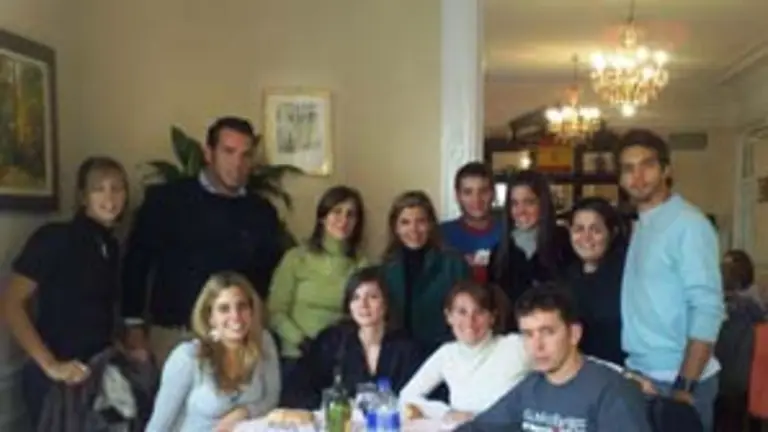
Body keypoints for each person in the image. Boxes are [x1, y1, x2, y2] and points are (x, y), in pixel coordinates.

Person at [122, 116, 283, 363]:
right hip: (175, 334)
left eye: (245, 155)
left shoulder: (261, 212)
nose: (237, 163)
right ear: (209, 153)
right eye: (229, 152)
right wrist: (133, 327)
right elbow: (136, 264)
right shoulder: (168, 201)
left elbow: (268, 279)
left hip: (236, 338)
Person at [0, 157, 131, 424]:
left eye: (117, 188)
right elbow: (11, 303)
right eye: (99, 189)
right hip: (55, 377)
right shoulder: (54, 238)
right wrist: (50, 365)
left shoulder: (111, 246)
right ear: (83, 196)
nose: (109, 197)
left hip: (97, 373)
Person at [618, 129, 725, 431]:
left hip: (678, 381)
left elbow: (708, 309)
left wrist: (684, 386)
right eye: (628, 168)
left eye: (647, 165)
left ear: (667, 170)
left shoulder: (689, 224)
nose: (637, 176)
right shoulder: (641, 225)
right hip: (641, 374)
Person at [457, 285, 652, 431]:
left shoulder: (612, 391)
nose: (537, 345)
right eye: (528, 334)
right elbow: (479, 429)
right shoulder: (530, 388)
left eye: (547, 332)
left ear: (574, 334)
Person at [146, 271, 280, 432]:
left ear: (252, 310)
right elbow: (159, 425)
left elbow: (271, 398)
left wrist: (245, 412)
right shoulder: (188, 357)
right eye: (224, 309)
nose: (235, 316)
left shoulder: (263, 342)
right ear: (210, 317)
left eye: (242, 306)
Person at [281, 267, 422, 409]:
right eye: (355, 298)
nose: (363, 305)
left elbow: (417, 399)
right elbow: (300, 388)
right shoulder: (331, 342)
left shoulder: (406, 348)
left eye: (372, 297)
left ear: (386, 303)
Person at [268, 186, 368, 372]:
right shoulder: (296, 258)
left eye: (351, 214)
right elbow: (275, 312)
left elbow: (364, 316)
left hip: (340, 356)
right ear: (323, 217)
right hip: (297, 354)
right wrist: (303, 342)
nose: (343, 220)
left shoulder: (361, 264)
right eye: (337, 212)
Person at [399, 281, 529, 422]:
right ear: (449, 317)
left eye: (479, 312)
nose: (470, 321)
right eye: (462, 312)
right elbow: (406, 396)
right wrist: (446, 413)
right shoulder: (447, 354)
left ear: (492, 317)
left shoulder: (515, 346)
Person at [380, 191, 471, 354]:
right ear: (395, 227)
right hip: (399, 355)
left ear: (430, 224)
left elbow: (468, 313)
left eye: (420, 221)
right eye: (405, 222)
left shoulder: (454, 264)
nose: (413, 229)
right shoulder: (385, 267)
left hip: (444, 353)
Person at [489, 170, 574, 330]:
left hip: (556, 335)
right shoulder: (500, 251)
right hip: (514, 339)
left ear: (543, 204)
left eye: (529, 202)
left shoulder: (564, 242)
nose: (521, 210)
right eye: (514, 203)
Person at [565, 197, 628, 364]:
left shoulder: (628, 276)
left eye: (596, 230)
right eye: (579, 229)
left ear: (612, 233)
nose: (586, 237)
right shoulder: (566, 277)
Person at [440, 162, 502, 283]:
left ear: (493, 194)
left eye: (483, 191)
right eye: (468, 192)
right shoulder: (441, 235)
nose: (476, 199)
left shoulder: (509, 233)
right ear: (458, 196)